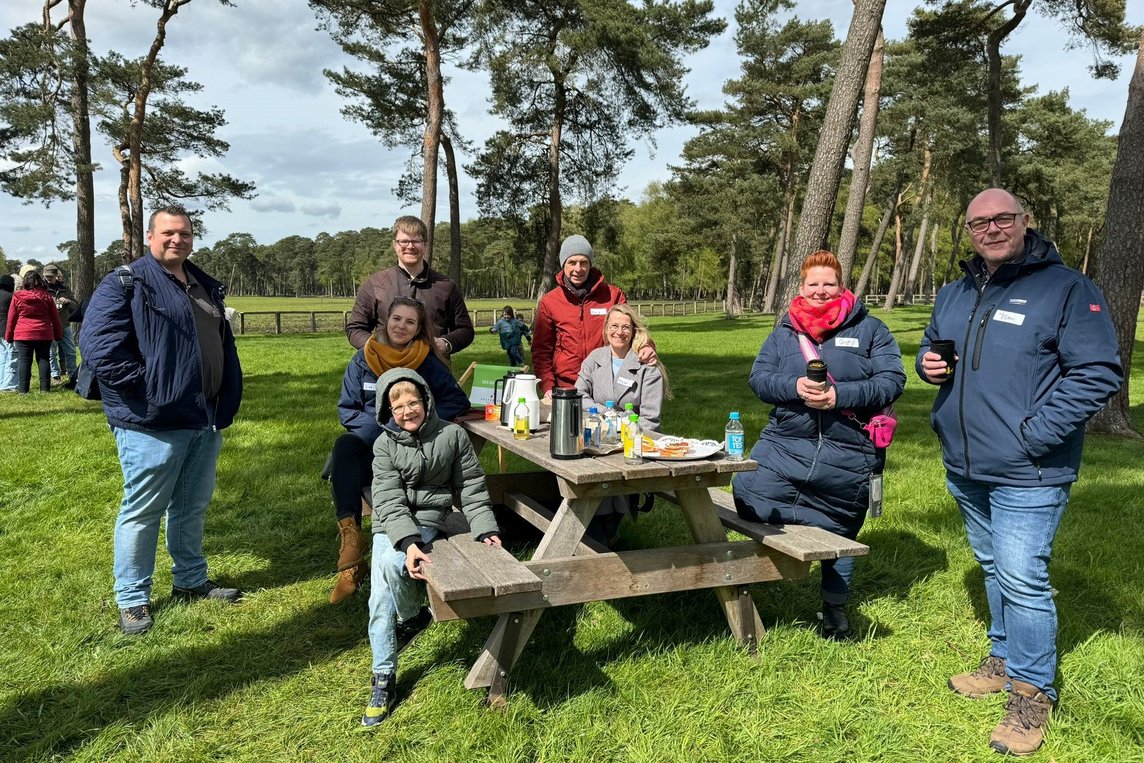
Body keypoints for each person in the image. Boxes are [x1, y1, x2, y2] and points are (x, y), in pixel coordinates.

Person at [917, 188, 1122, 756]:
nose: (991, 228)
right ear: (967, 230)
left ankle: (1033, 694)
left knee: (1023, 578)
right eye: (979, 221)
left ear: (1025, 222)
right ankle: (1004, 657)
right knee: (992, 565)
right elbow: (936, 350)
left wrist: (1035, 434)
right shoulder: (956, 291)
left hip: (1030, 468)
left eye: (1002, 218)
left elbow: (1099, 371)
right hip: (965, 460)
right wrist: (927, 364)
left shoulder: (1067, 289)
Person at [80, 204, 244, 636]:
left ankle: (190, 580)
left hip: (203, 415)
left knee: (192, 506)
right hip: (152, 421)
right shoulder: (125, 282)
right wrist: (151, 389)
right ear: (150, 237)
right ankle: (132, 598)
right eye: (169, 233)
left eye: (186, 234)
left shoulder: (202, 285)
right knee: (144, 509)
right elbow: (97, 345)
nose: (178, 240)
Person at [732, 250, 905, 641]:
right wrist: (793, 386)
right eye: (814, 284)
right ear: (802, 288)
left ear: (842, 286)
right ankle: (758, 575)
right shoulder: (783, 333)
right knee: (746, 496)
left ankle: (834, 608)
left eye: (829, 284)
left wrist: (839, 395)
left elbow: (893, 380)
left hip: (848, 452)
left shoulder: (872, 330)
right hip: (785, 447)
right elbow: (759, 379)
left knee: (841, 526)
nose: (822, 291)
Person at [361, 367, 501, 727]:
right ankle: (385, 674)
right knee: (383, 589)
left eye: (413, 403)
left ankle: (408, 623)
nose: (407, 412)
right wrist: (407, 543)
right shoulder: (383, 445)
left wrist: (484, 527)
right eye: (398, 408)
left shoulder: (453, 435)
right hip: (390, 523)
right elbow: (389, 500)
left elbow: (471, 485)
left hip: (428, 520)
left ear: (426, 400)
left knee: (389, 576)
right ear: (387, 413)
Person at [329, 296, 472, 604]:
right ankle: (350, 546)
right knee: (344, 449)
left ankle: (391, 556)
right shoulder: (363, 359)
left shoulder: (426, 361)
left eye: (410, 322)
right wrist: (385, 429)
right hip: (373, 446)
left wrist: (416, 426)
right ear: (386, 321)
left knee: (389, 482)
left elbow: (457, 401)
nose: (401, 326)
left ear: (419, 329)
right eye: (397, 319)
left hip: (413, 451)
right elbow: (348, 410)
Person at [575, 303, 670, 545]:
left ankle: (600, 534)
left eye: (626, 327)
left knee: (611, 475)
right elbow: (579, 393)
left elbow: (650, 419)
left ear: (634, 331)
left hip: (632, 440)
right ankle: (599, 533)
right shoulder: (595, 358)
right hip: (595, 436)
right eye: (614, 326)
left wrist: (623, 429)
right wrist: (606, 414)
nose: (620, 332)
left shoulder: (647, 366)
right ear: (606, 330)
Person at [532, 234, 656, 397]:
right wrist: (548, 387)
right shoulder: (550, 302)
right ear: (563, 265)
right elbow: (541, 349)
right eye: (572, 262)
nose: (578, 269)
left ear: (590, 264)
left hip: (606, 383)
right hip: (566, 386)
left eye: (583, 262)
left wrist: (646, 346)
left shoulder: (613, 296)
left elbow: (631, 329)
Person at [345, 216, 474, 357]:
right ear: (395, 244)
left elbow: (465, 330)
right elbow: (355, 328)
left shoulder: (446, 286)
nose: (410, 246)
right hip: (385, 370)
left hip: (433, 372)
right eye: (404, 241)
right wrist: (378, 349)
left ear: (425, 244)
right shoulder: (375, 283)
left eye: (416, 241)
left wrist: (445, 343)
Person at [5, 270, 63, 394]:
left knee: (24, 361)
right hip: (43, 333)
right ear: (40, 281)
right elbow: (55, 318)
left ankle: (23, 390)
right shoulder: (47, 296)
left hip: (23, 334)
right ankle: (44, 389)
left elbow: (11, 318)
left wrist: (9, 336)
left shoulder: (17, 296)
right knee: (44, 359)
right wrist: (58, 334)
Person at [43, 264, 78, 384]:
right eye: (46, 276)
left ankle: (73, 375)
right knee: (51, 352)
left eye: (51, 276)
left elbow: (75, 305)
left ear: (56, 275)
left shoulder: (65, 288)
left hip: (65, 324)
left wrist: (68, 302)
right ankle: (55, 375)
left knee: (71, 351)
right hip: (49, 325)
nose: (48, 279)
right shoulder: (41, 289)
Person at [0, 275, 18, 392]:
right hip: (6, 330)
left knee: (2, 357)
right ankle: (8, 385)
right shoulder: (11, 297)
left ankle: (1, 382)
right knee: (12, 356)